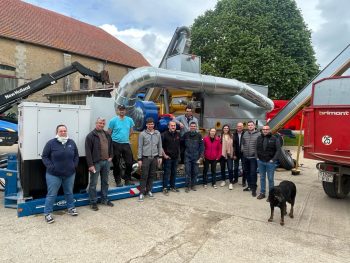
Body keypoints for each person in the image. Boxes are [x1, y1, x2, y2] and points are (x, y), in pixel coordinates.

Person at [41, 124, 79, 224]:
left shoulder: (71, 142)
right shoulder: (51, 143)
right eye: (61, 131)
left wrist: (74, 165)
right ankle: (47, 214)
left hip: (70, 173)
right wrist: (51, 167)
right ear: (57, 132)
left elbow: (76, 155)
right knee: (52, 194)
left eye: (64, 131)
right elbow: (44, 156)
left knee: (69, 192)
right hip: (54, 174)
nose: (63, 132)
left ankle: (71, 208)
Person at [85, 117, 114, 211]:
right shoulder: (90, 136)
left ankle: (104, 199)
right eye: (99, 123)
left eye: (103, 123)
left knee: (105, 182)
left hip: (106, 162)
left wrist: (111, 156)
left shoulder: (107, 134)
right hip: (95, 163)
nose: (101, 125)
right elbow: (88, 151)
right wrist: (90, 165)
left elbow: (111, 146)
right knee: (93, 183)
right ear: (96, 123)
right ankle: (93, 202)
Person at [108, 104, 135, 187]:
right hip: (115, 143)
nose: (122, 111)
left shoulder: (130, 120)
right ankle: (118, 181)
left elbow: (131, 131)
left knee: (129, 162)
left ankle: (127, 180)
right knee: (116, 163)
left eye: (123, 109)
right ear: (117, 111)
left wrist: (125, 137)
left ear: (125, 111)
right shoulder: (113, 120)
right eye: (120, 109)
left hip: (126, 143)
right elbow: (109, 132)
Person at [137, 118, 163, 202]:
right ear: (146, 125)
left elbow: (159, 146)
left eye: (152, 124)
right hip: (145, 158)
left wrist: (160, 157)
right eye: (149, 124)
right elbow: (140, 147)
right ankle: (141, 193)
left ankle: (149, 190)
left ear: (154, 125)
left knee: (152, 175)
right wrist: (139, 159)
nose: (150, 125)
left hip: (155, 158)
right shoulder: (142, 134)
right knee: (144, 175)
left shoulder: (157, 133)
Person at [256, 125, 281, 200]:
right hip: (261, 161)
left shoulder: (274, 138)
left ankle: (271, 195)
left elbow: (278, 150)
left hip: (270, 163)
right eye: (264, 129)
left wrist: (273, 160)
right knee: (262, 178)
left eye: (267, 129)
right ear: (262, 130)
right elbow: (256, 148)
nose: (265, 131)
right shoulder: (259, 138)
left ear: (269, 130)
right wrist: (257, 157)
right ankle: (262, 193)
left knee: (270, 179)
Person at [183, 122, 204, 192]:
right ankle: (187, 186)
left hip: (196, 157)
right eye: (191, 126)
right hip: (187, 156)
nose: (193, 127)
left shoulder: (199, 135)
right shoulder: (186, 135)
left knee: (195, 172)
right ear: (189, 127)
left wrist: (201, 156)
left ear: (196, 127)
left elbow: (202, 147)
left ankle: (193, 185)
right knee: (187, 171)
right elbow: (182, 145)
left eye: (194, 126)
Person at [241, 121, 260, 197]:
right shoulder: (245, 134)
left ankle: (254, 188)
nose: (250, 126)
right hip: (245, 157)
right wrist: (243, 150)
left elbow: (259, 146)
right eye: (248, 125)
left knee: (253, 173)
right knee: (247, 172)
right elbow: (243, 143)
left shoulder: (258, 134)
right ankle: (249, 186)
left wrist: (256, 154)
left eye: (251, 125)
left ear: (254, 126)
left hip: (253, 158)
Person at [161, 121, 181, 195]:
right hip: (168, 158)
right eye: (171, 125)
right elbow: (160, 146)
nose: (173, 127)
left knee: (174, 173)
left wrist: (178, 156)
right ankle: (165, 188)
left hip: (175, 158)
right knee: (167, 173)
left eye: (174, 126)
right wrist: (164, 155)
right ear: (168, 126)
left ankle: (172, 186)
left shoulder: (178, 134)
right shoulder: (164, 135)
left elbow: (179, 146)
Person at [220, 124, 236, 190]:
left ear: (229, 129)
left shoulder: (232, 136)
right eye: (224, 128)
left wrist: (234, 154)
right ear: (223, 129)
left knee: (230, 169)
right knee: (222, 168)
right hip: (222, 155)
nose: (226, 129)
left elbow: (234, 146)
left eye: (227, 128)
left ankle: (230, 183)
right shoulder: (220, 136)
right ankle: (223, 180)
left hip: (230, 154)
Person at [233, 122, 246, 187]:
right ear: (236, 127)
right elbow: (233, 145)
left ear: (243, 127)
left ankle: (244, 181)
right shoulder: (234, 134)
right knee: (235, 167)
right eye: (238, 126)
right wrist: (234, 154)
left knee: (244, 168)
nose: (239, 127)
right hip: (236, 153)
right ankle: (235, 179)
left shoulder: (246, 134)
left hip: (243, 153)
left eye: (240, 126)